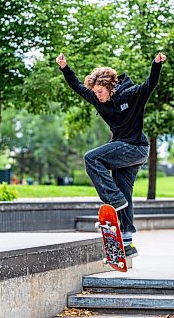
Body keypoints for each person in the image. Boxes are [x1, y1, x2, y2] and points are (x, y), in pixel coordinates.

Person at [56, 52, 166, 258]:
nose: (98, 96)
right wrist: (64, 67)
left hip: (136, 147)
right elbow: (77, 86)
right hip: (126, 151)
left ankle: (113, 200)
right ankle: (128, 244)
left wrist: (156, 64)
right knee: (125, 194)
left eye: (100, 92)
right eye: (95, 92)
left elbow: (150, 84)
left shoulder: (130, 95)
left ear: (110, 87)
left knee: (91, 158)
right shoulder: (96, 98)